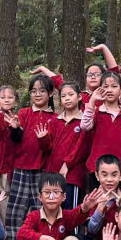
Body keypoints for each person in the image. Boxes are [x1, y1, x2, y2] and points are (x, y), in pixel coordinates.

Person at [2, 74, 57, 240]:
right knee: (15, 210)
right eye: (33, 91)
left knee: (39, 209)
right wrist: (15, 128)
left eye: (42, 91)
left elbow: (50, 148)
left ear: (50, 93)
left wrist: (43, 139)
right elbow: (16, 140)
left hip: (42, 170)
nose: (37, 94)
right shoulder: (24, 113)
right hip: (21, 168)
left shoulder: (55, 118)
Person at [80, 72, 121, 184]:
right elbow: (84, 126)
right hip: (97, 170)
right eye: (105, 87)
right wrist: (92, 101)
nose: (109, 90)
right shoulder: (96, 112)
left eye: (114, 86)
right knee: (98, 201)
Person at [45, 82, 90, 210]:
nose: (67, 98)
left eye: (71, 94)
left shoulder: (83, 122)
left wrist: (67, 165)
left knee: (71, 211)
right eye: (63, 96)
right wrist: (42, 139)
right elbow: (48, 148)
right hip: (53, 175)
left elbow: (81, 148)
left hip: (72, 176)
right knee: (52, 210)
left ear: (79, 97)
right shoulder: (55, 121)